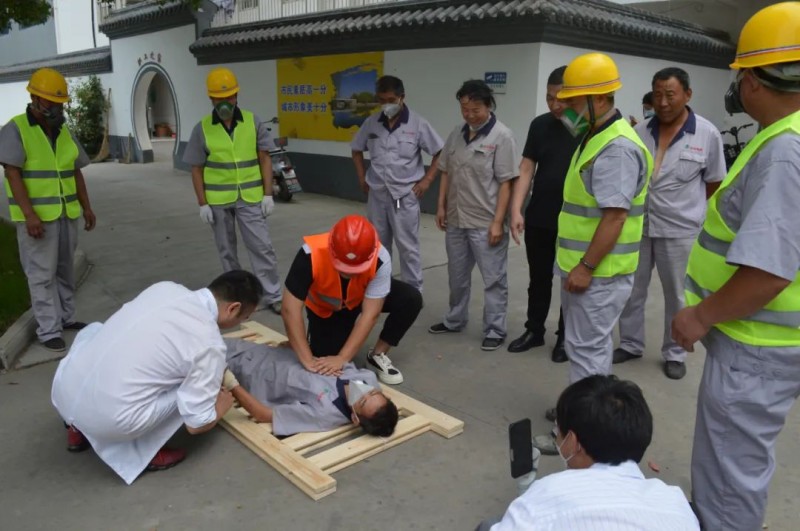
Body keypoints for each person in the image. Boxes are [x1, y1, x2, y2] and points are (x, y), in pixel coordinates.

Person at [671, 3, 800, 529]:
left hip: (756, 346)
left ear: (752, 79)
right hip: (770, 343)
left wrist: (700, 316)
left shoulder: (783, 151)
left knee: (729, 479)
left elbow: (769, 270)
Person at [534, 53, 652, 440]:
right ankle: (577, 410)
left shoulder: (616, 148)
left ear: (599, 99)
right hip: (586, 269)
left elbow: (614, 217)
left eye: (571, 101)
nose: (563, 108)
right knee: (584, 347)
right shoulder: (596, 136)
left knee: (588, 351)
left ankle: (579, 432)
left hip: (598, 273)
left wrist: (586, 266)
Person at [51, 270, 263, 485]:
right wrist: (220, 408)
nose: (243, 321)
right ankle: (144, 452)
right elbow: (196, 423)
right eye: (245, 317)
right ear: (233, 308)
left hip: (64, 391)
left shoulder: (165, 287)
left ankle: (75, 427)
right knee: (194, 387)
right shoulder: (209, 342)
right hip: (108, 420)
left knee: (95, 330)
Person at [614, 68, 726, 380]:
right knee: (631, 289)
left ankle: (675, 352)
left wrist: (689, 210)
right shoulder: (640, 131)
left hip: (679, 230)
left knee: (677, 294)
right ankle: (631, 343)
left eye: (670, 95)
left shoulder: (707, 134)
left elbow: (714, 182)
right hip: (639, 225)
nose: (662, 103)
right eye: (657, 95)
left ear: (687, 95)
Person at [478, 375, 700, 530]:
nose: (557, 439)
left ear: (573, 442)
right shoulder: (674, 501)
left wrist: (526, 496)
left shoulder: (548, 494)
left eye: (558, 432)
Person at [0, 68, 96, 352]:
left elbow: (75, 170)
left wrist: (87, 207)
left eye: (60, 103)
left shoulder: (63, 130)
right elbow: (12, 174)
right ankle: (48, 329)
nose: (57, 108)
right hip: (38, 219)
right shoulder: (16, 129)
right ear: (34, 99)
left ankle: (66, 318)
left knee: (65, 270)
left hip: (67, 214)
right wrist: (29, 215)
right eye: (51, 102)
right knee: (41, 275)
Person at [182, 67, 282, 314]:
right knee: (227, 252)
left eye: (229, 97)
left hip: (250, 197)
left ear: (237, 96)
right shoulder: (202, 129)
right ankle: (238, 298)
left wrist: (268, 194)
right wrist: (202, 203)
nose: (225, 102)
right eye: (219, 98)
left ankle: (273, 295)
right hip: (218, 201)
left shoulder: (252, 121)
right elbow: (196, 168)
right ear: (211, 99)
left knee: (262, 247)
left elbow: (265, 158)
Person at [429, 80, 519, 351]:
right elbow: (445, 171)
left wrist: (497, 222)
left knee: (493, 279)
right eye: (464, 109)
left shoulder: (502, 136)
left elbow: (506, 183)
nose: (469, 115)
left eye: (475, 110)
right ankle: (455, 319)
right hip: (456, 218)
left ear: (489, 106)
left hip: (485, 221)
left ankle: (494, 329)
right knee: (457, 276)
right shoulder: (457, 133)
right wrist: (441, 206)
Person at [281, 214, 422, 385]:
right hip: (327, 310)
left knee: (410, 299)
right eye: (343, 266)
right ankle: (314, 343)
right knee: (324, 360)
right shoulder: (310, 253)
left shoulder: (380, 257)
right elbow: (290, 309)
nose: (349, 272)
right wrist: (308, 360)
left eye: (356, 268)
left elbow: (370, 314)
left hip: (361, 299)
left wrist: (342, 358)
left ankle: (377, 355)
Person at [507, 66, 579, 362]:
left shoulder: (587, 128)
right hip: (540, 216)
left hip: (574, 220)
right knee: (538, 278)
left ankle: (565, 337)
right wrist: (516, 209)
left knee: (569, 283)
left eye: (561, 98)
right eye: (550, 98)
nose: (555, 104)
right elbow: (526, 168)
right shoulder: (539, 125)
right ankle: (534, 330)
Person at [351, 75, 444, 293]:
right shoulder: (371, 123)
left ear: (402, 98)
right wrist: (362, 177)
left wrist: (427, 181)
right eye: (382, 100)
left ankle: (413, 293)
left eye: (391, 100)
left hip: (403, 196)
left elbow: (440, 152)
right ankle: (380, 289)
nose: (386, 104)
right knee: (377, 246)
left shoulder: (417, 124)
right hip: (377, 195)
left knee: (407, 247)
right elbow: (356, 149)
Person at [223, 338, 398, 436]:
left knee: (210, 350)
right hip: (273, 353)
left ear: (355, 418)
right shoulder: (368, 378)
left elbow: (263, 415)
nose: (363, 391)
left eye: (362, 401)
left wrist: (230, 382)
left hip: (250, 371)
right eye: (372, 392)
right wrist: (297, 349)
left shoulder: (323, 414)